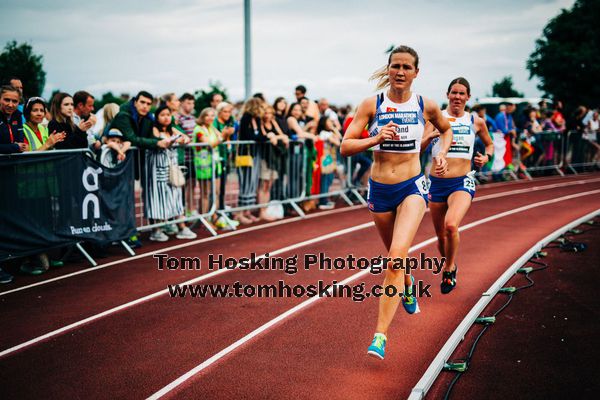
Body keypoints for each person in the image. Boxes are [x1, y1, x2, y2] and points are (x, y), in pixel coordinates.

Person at [341, 45, 451, 360]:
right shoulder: (371, 105)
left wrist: (440, 153)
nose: (400, 72)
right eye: (395, 66)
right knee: (395, 258)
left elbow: (445, 131)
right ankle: (407, 280)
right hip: (379, 189)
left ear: (416, 72)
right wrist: (375, 138)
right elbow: (346, 146)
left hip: (412, 187)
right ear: (388, 69)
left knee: (395, 258)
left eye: (406, 67)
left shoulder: (425, 105)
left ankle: (380, 336)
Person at [422, 77, 493, 294]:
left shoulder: (475, 121)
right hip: (437, 182)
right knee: (441, 239)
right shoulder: (435, 118)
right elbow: (420, 148)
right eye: (454, 92)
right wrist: (431, 136)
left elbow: (489, 144)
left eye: (462, 93)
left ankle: (449, 268)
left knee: (451, 225)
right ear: (447, 95)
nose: (457, 97)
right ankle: (449, 261)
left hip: (463, 180)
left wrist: (486, 158)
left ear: (468, 97)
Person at [144, 105, 196, 241]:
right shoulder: (154, 128)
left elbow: (186, 138)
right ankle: (156, 229)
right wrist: (174, 140)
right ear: (157, 117)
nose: (167, 117)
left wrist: (180, 139)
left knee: (176, 196)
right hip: (157, 168)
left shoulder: (171, 128)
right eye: (163, 115)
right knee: (158, 197)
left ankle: (181, 227)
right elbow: (160, 142)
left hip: (172, 167)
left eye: (168, 114)